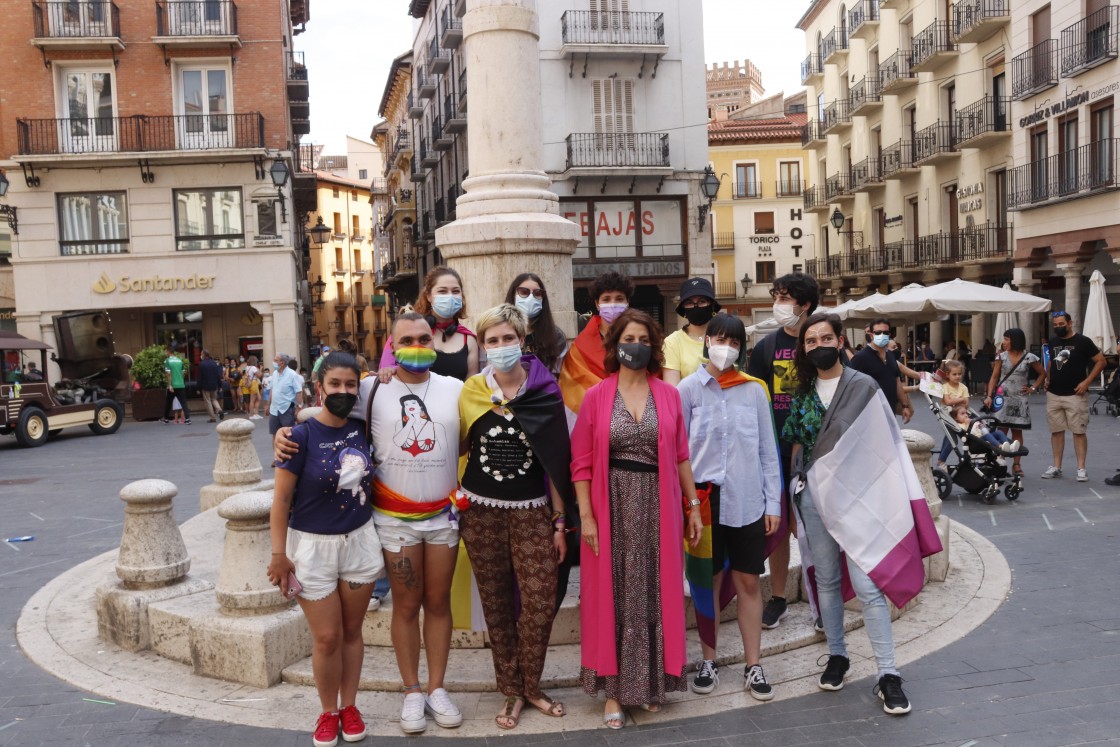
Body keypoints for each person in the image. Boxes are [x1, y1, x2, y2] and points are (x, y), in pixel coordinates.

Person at [280, 312, 464, 734]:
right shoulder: (369, 388)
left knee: (438, 604)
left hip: (442, 519)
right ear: (392, 347)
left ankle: (437, 688)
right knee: (405, 605)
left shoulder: (455, 390)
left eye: (423, 338)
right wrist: (287, 431)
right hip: (394, 521)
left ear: (433, 341)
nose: (416, 346)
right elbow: (327, 410)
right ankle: (412, 691)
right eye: (406, 340)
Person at [782, 313, 942, 716]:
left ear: (840, 341)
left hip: (862, 502)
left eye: (825, 337)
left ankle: (888, 674)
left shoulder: (864, 387)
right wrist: (795, 492)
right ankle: (838, 655)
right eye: (810, 340)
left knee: (868, 586)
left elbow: (884, 447)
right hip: (815, 501)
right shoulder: (801, 393)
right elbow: (799, 449)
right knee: (828, 580)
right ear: (804, 349)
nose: (818, 344)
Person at [571, 308, 703, 729]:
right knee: (611, 594)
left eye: (645, 340)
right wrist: (586, 517)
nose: (637, 346)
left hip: (657, 504)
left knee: (652, 591)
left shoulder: (668, 394)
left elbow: (681, 455)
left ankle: (649, 684)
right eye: (629, 338)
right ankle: (613, 692)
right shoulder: (595, 396)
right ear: (615, 346)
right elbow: (581, 465)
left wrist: (692, 505)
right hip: (609, 505)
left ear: (655, 346)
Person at [457, 304, 574, 729]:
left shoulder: (545, 391)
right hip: (480, 512)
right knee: (497, 605)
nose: (501, 347)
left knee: (541, 602)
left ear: (522, 341)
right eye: (493, 341)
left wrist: (560, 523)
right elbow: (453, 446)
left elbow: (557, 463)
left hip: (533, 514)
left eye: (509, 339)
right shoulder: (471, 391)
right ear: (482, 345)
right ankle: (512, 690)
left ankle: (532, 684)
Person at [267, 351, 383, 747]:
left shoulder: (364, 428)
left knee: (352, 632)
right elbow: (280, 502)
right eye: (335, 384)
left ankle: (350, 707)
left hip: (360, 543)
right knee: (327, 638)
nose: (343, 391)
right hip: (313, 549)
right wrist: (278, 555)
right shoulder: (298, 438)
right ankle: (327, 711)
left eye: (351, 385)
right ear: (320, 388)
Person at [677, 314, 781, 701]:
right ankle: (708, 659)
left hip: (746, 499)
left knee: (749, 582)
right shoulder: (687, 390)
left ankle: (754, 664)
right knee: (708, 582)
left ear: (741, 347)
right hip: (701, 503)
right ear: (706, 341)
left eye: (734, 341)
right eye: (719, 338)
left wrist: (774, 502)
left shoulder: (754, 390)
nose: (725, 347)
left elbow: (768, 451)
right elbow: (679, 453)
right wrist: (686, 506)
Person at [746, 271, 817, 631]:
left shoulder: (820, 341)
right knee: (775, 529)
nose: (778, 304)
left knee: (816, 528)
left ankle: (824, 597)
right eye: (777, 296)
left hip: (815, 453)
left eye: (786, 298)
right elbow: (752, 398)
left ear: (804, 305)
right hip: (773, 451)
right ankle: (778, 598)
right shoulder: (764, 348)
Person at [558, 270, 635, 424]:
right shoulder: (579, 348)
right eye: (606, 299)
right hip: (594, 423)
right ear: (597, 304)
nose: (613, 304)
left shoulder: (641, 339)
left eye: (619, 299)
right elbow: (572, 391)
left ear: (627, 303)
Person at [378, 266, 480, 382]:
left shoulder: (470, 339)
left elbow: (471, 386)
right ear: (428, 296)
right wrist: (386, 372)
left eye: (456, 291)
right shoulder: (406, 332)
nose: (450, 296)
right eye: (442, 291)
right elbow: (387, 370)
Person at [1041, 312, 1106, 481]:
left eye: (1061, 324)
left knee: (1078, 431)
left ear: (1070, 323)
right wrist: (1048, 379)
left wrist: (1087, 382)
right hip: (1054, 393)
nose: (1058, 327)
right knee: (1056, 431)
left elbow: (1101, 361)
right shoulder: (1053, 341)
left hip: (1076, 394)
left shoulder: (1083, 341)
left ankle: (1081, 468)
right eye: (1055, 324)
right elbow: (1051, 361)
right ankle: (1056, 466)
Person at [982, 328, 1046, 476]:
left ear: (1015, 340)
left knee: (1017, 432)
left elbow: (1042, 373)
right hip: (1003, 397)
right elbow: (994, 377)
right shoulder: (1001, 357)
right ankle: (1001, 461)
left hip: (1020, 399)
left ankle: (1017, 464)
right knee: (1001, 431)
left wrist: (1033, 388)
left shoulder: (1030, 357)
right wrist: (989, 395)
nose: (1004, 342)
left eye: (1006, 339)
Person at [849, 318, 915, 424]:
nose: (882, 335)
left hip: (890, 410)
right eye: (878, 332)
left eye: (886, 332)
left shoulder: (890, 355)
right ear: (871, 334)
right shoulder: (860, 358)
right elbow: (852, 388)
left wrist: (904, 405)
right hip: (869, 415)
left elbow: (897, 381)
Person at [504, 273, 568, 376]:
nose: (531, 298)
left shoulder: (556, 337)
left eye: (537, 293)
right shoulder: (500, 332)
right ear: (513, 294)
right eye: (524, 292)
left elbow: (559, 375)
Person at [662, 277, 721, 385]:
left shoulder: (727, 337)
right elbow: (672, 390)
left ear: (712, 305)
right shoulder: (672, 342)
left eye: (702, 301)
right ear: (683, 308)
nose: (696, 306)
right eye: (689, 303)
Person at [934, 359, 969, 469]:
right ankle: (941, 461)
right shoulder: (945, 387)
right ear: (948, 375)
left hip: (960, 416)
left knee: (957, 438)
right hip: (947, 416)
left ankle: (941, 460)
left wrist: (956, 400)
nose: (957, 376)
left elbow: (966, 404)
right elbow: (948, 402)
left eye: (959, 374)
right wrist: (961, 399)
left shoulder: (963, 387)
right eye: (954, 374)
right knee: (952, 439)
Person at [949, 404, 1019, 455]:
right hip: (975, 443)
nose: (966, 415)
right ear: (956, 418)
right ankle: (1000, 446)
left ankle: (1009, 447)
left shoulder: (971, 420)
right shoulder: (960, 425)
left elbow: (983, 429)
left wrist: (980, 424)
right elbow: (967, 433)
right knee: (987, 436)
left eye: (966, 413)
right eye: (962, 414)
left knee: (999, 432)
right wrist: (968, 424)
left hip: (984, 439)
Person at [268, 354, 303, 435]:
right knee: (275, 434)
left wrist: (298, 407)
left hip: (287, 409)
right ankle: (276, 448)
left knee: (288, 434)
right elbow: (272, 389)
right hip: (274, 409)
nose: (273, 362)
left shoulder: (292, 374)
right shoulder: (274, 374)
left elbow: (299, 392)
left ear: (282, 363)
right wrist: (268, 404)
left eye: (276, 360)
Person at [161, 345, 190, 425]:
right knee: (183, 402)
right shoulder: (180, 360)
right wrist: (180, 380)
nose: (165, 352)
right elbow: (183, 373)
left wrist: (170, 385)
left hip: (173, 385)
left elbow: (168, 374)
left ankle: (166, 419)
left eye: (165, 351)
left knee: (168, 402)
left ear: (168, 351)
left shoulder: (167, 361)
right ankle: (187, 419)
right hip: (181, 384)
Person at [196, 349, 224, 422]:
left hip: (205, 386)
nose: (201, 355)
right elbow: (218, 375)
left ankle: (212, 417)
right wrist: (220, 385)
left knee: (208, 401)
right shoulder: (214, 363)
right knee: (214, 399)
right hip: (214, 385)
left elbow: (200, 377)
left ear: (204, 354)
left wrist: (198, 387)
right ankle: (219, 409)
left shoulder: (201, 364)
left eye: (201, 354)